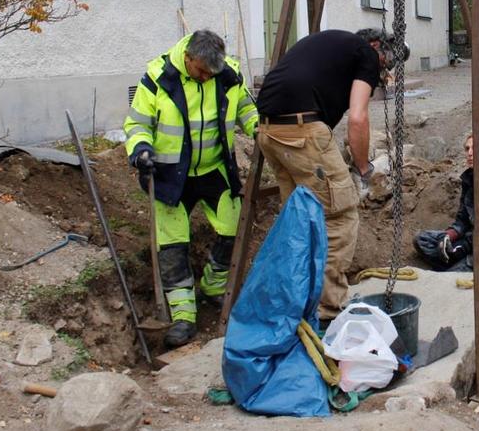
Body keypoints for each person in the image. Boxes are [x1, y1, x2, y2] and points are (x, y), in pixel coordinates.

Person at [255, 28, 407, 321]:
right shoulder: (365, 54)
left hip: (269, 132)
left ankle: (294, 301)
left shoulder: (329, 44)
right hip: (301, 131)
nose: (383, 70)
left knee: (299, 218)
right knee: (340, 214)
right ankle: (327, 312)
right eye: (386, 62)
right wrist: (363, 168)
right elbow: (359, 118)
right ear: (376, 46)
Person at [123, 30, 260, 347]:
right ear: (188, 59)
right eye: (201, 71)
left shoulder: (228, 76)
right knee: (173, 245)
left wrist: (258, 129)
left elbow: (246, 110)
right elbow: (137, 124)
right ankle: (183, 316)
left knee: (234, 228)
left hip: (214, 169)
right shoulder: (159, 78)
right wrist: (141, 149)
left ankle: (214, 285)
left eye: (211, 73)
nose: (206, 77)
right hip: (170, 175)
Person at [413, 134, 479, 274]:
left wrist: (465, 246)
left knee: (449, 282)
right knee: (422, 240)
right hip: (472, 238)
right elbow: (463, 218)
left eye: (475, 148)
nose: (469, 153)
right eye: (467, 149)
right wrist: (449, 235)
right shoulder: (471, 178)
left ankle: (458, 269)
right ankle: (457, 266)